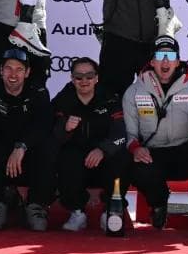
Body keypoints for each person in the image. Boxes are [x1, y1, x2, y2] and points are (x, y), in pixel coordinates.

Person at [123, 36, 188, 238]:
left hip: (183, 151)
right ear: (152, 61)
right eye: (160, 56)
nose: (165, 62)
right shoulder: (134, 91)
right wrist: (136, 148)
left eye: (170, 56)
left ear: (178, 61)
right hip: (153, 154)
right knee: (131, 163)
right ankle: (158, 203)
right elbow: (129, 134)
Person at [0, 48, 55, 231]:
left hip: (27, 153)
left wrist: (22, 147)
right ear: (1, 71)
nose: (13, 74)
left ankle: (36, 205)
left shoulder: (38, 92)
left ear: (27, 72)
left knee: (49, 145)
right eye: (8, 68)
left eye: (19, 69)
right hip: (0, 155)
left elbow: (44, 126)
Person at [51, 57, 131, 232]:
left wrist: (103, 150)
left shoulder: (110, 99)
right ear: (72, 79)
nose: (84, 81)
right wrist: (65, 128)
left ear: (96, 78)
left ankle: (110, 212)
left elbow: (121, 134)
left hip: (104, 160)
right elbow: (52, 136)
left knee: (122, 156)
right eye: (79, 77)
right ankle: (77, 212)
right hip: (76, 163)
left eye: (89, 76)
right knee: (66, 155)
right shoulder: (62, 100)